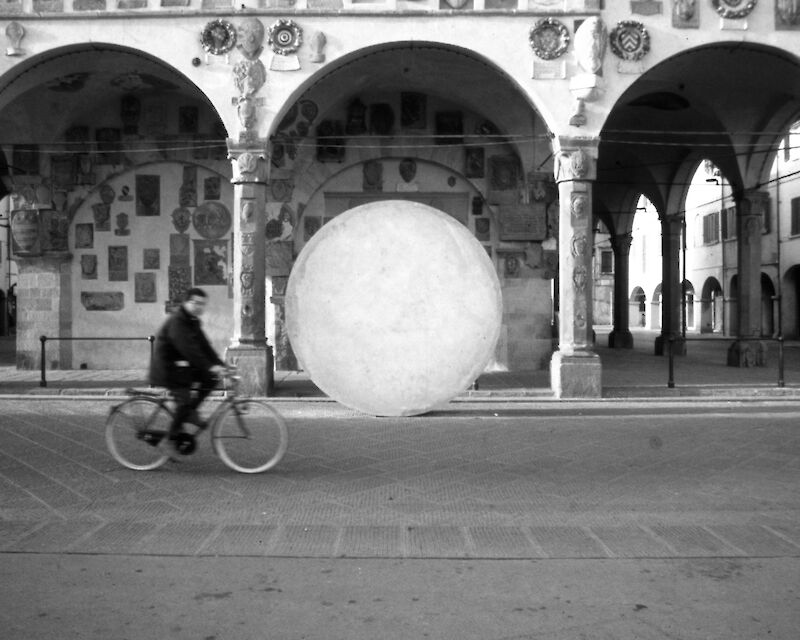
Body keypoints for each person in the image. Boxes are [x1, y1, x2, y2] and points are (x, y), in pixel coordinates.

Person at [149, 288, 225, 453]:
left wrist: (221, 365)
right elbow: (189, 350)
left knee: (210, 378)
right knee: (184, 402)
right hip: (168, 369)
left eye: (202, 304)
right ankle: (168, 440)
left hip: (182, 368)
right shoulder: (178, 321)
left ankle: (190, 412)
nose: (199, 307)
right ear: (186, 302)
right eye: (196, 303)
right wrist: (210, 366)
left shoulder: (193, 321)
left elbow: (205, 347)